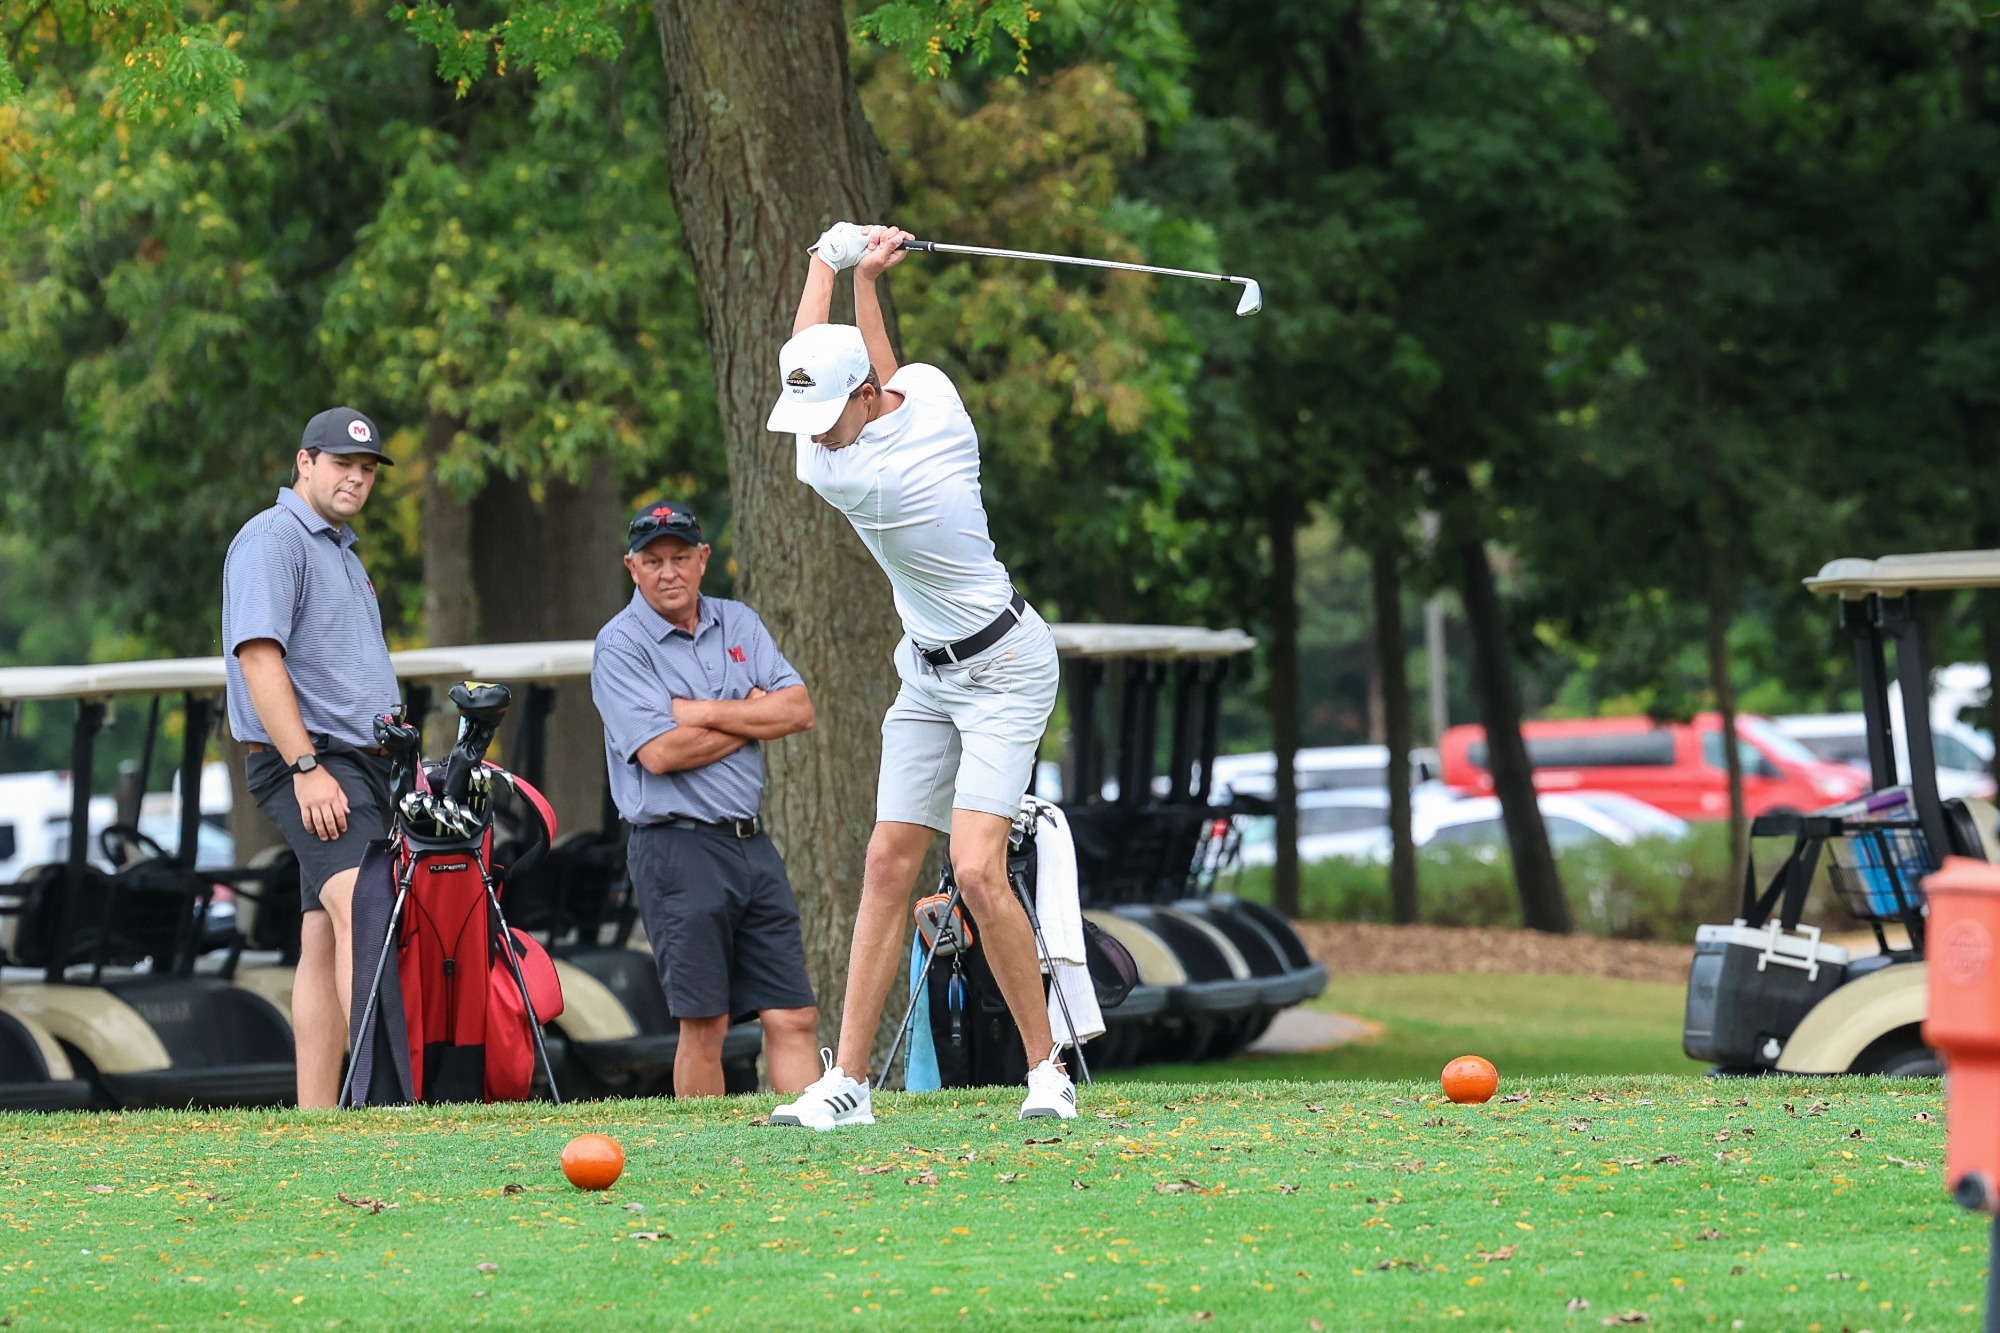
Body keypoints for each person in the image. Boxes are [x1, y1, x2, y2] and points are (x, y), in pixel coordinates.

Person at [763, 222, 1076, 1128]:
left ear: (859, 397)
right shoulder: (927, 395)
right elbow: (872, 366)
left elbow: (831, 358)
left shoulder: (862, 480)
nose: (813, 432)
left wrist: (825, 259)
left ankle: (1047, 1069)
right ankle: (849, 1084)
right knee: (887, 859)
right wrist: (865, 278)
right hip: (927, 673)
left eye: (826, 412)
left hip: (1007, 668)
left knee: (977, 870)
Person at [590, 499, 823, 1098]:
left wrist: (696, 713)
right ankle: (710, 1158)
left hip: (751, 842)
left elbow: (797, 710)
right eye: (653, 560)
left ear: (703, 560)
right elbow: (660, 755)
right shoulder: (620, 646)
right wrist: (751, 713)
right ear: (632, 566)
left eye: (680, 557)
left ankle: (811, 1150)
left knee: (793, 1014)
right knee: (706, 1024)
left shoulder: (739, 622)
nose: (668, 572)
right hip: (677, 848)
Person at [222, 407, 401, 1108]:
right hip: (317, 763)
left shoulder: (338, 549)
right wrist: (305, 768)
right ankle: (383, 1105)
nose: (355, 477)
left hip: (356, 763)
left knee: (323, 936)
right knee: (367, 912)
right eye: (340, 463)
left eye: (366, 469)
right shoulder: (273, 539)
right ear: (304, 462)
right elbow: (259, 657)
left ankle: (318, 1117)